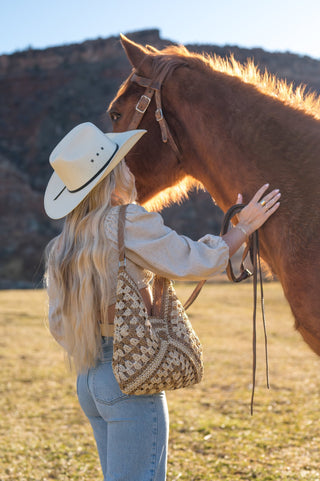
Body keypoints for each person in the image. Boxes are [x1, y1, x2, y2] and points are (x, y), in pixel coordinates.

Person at [44, 122, 281, 481]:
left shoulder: (65, 243)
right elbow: (191, 259)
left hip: (90, 378)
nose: (129, 168)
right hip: (130, 377)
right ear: (113, 177)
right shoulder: (125, 222)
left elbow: (58, 324)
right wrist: (242, 229)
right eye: (122, 163)